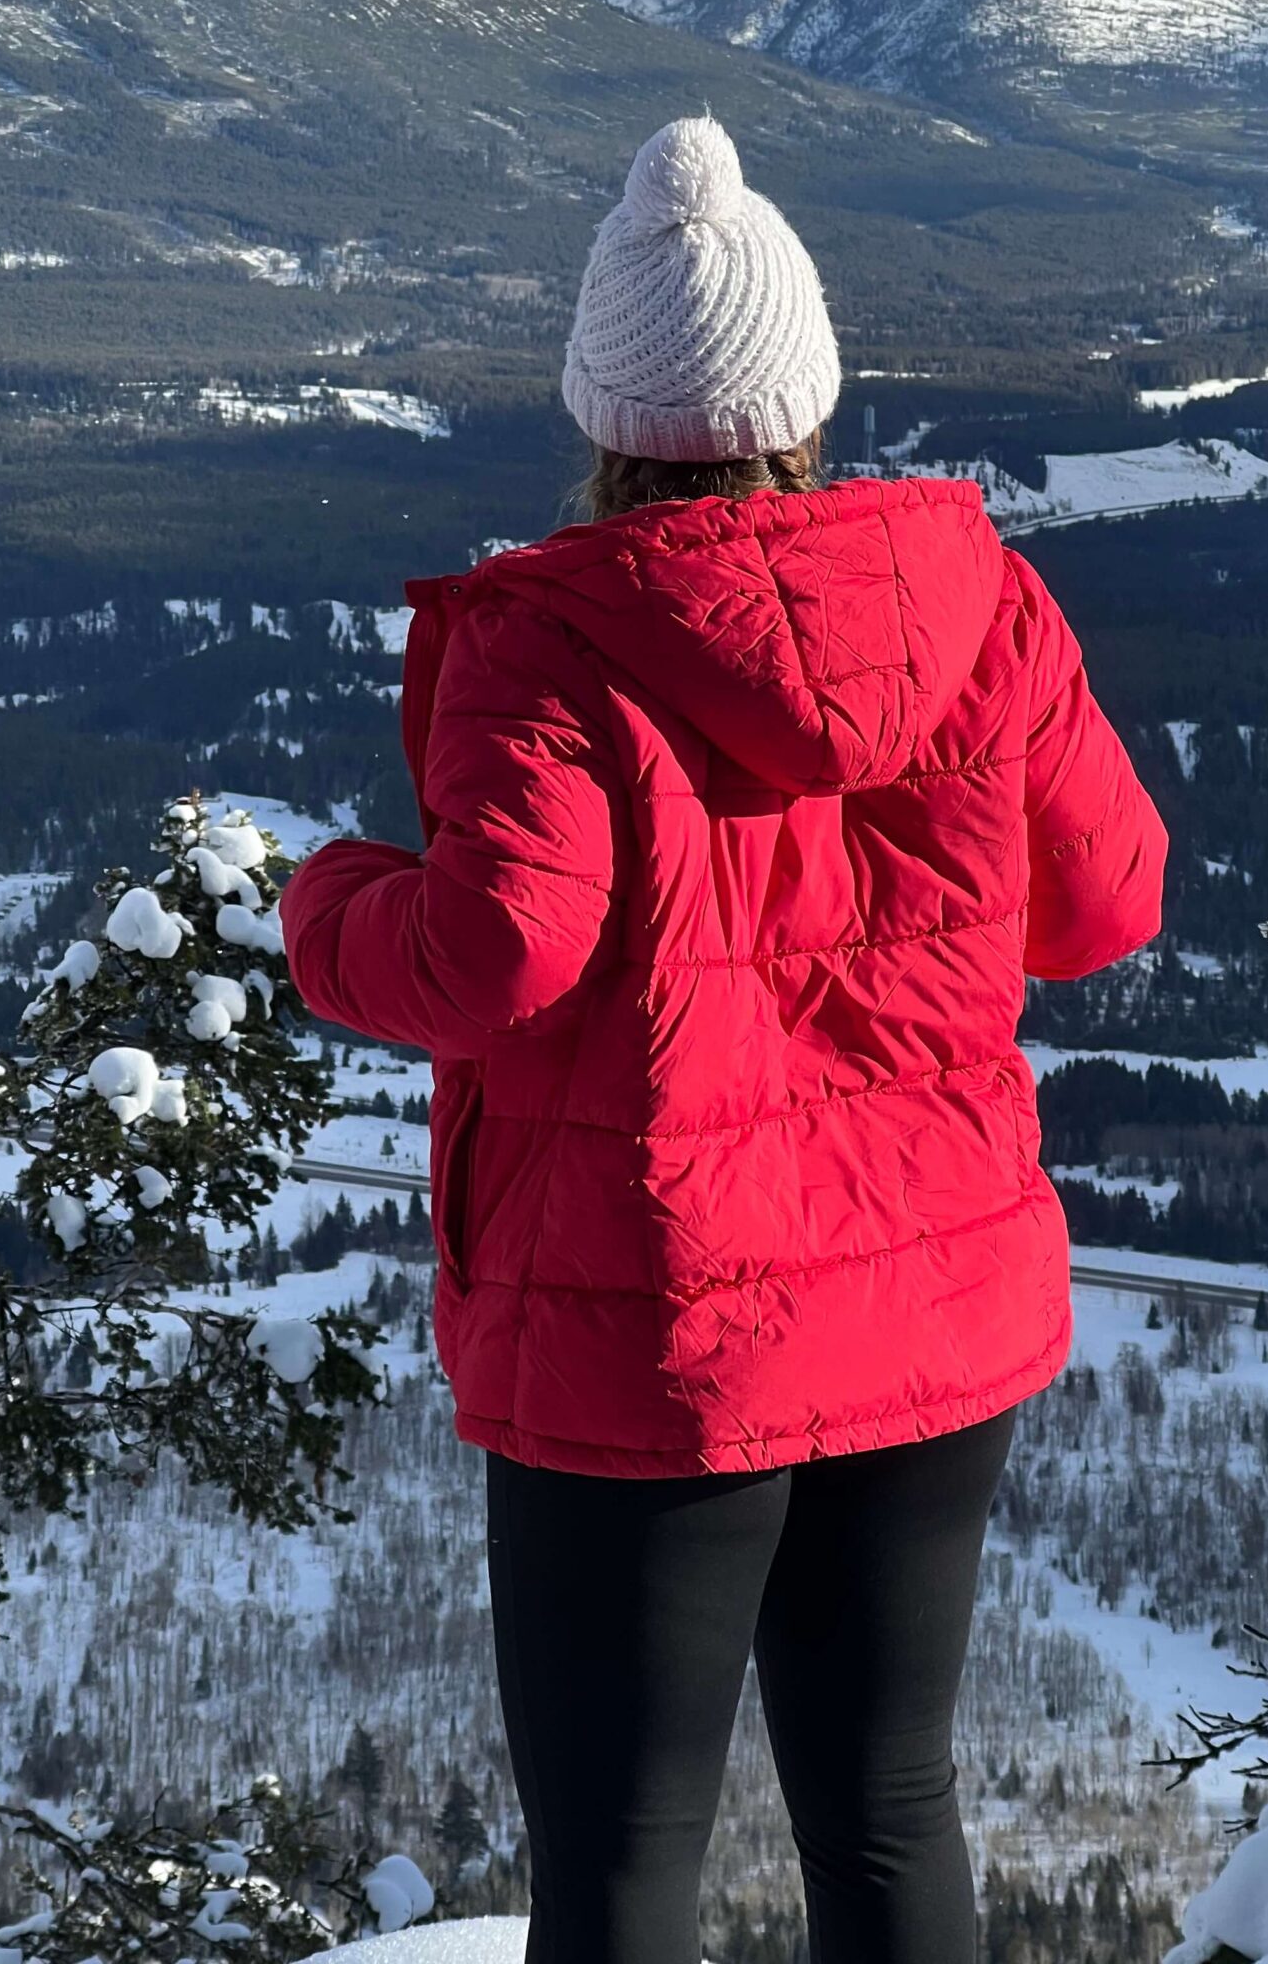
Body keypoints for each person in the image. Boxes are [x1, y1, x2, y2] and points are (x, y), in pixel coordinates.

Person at [279, 115, 1167, 1964]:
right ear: (806, 392)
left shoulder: (556, 640)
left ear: (605, 416)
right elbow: (1103, 907)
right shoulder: (980, 598)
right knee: (893, 1811)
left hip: (663, 1329)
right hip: (931, 1306)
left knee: (621, 1861)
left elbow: (490, 952)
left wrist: (324, 896)